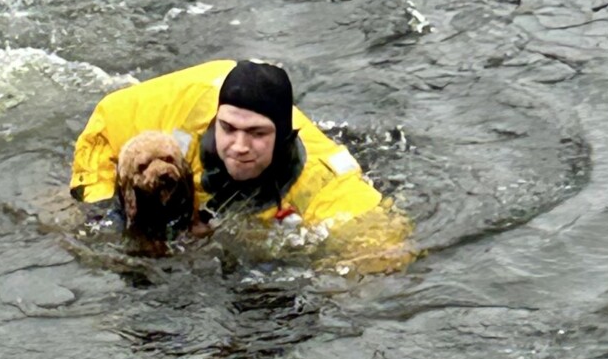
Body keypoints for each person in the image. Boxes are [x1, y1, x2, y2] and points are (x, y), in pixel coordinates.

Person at [70, 59, 414, 272]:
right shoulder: (187, 107)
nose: (238, 147)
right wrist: (106, 213)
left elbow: (386, 251)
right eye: (229, 129)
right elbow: (105, 123)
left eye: (257, 134)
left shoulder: (324, 180)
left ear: (282, 137)